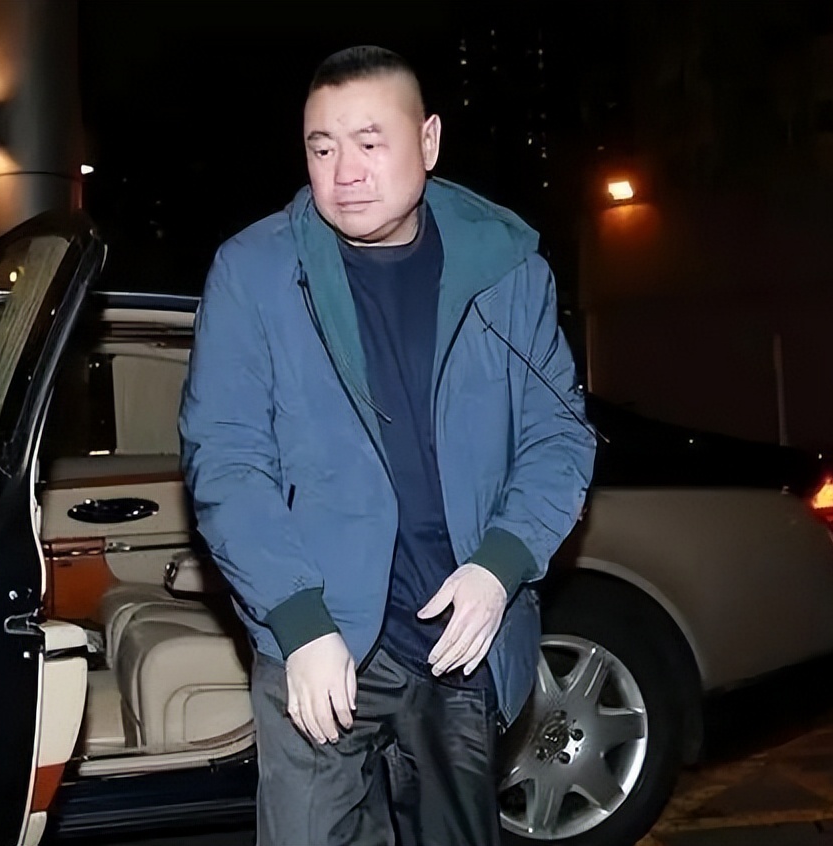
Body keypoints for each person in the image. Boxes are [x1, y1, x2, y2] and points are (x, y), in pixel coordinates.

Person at [179, 46, 596, 845]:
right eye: (321, 148)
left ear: (428, 141)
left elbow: (558, 435)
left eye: (370, 143)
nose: (345, 173)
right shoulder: (255, 272)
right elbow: (226, 460)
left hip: (458, 636)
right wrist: (298, 621)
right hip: (319, 634)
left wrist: (500, 566)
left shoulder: (507, 268)